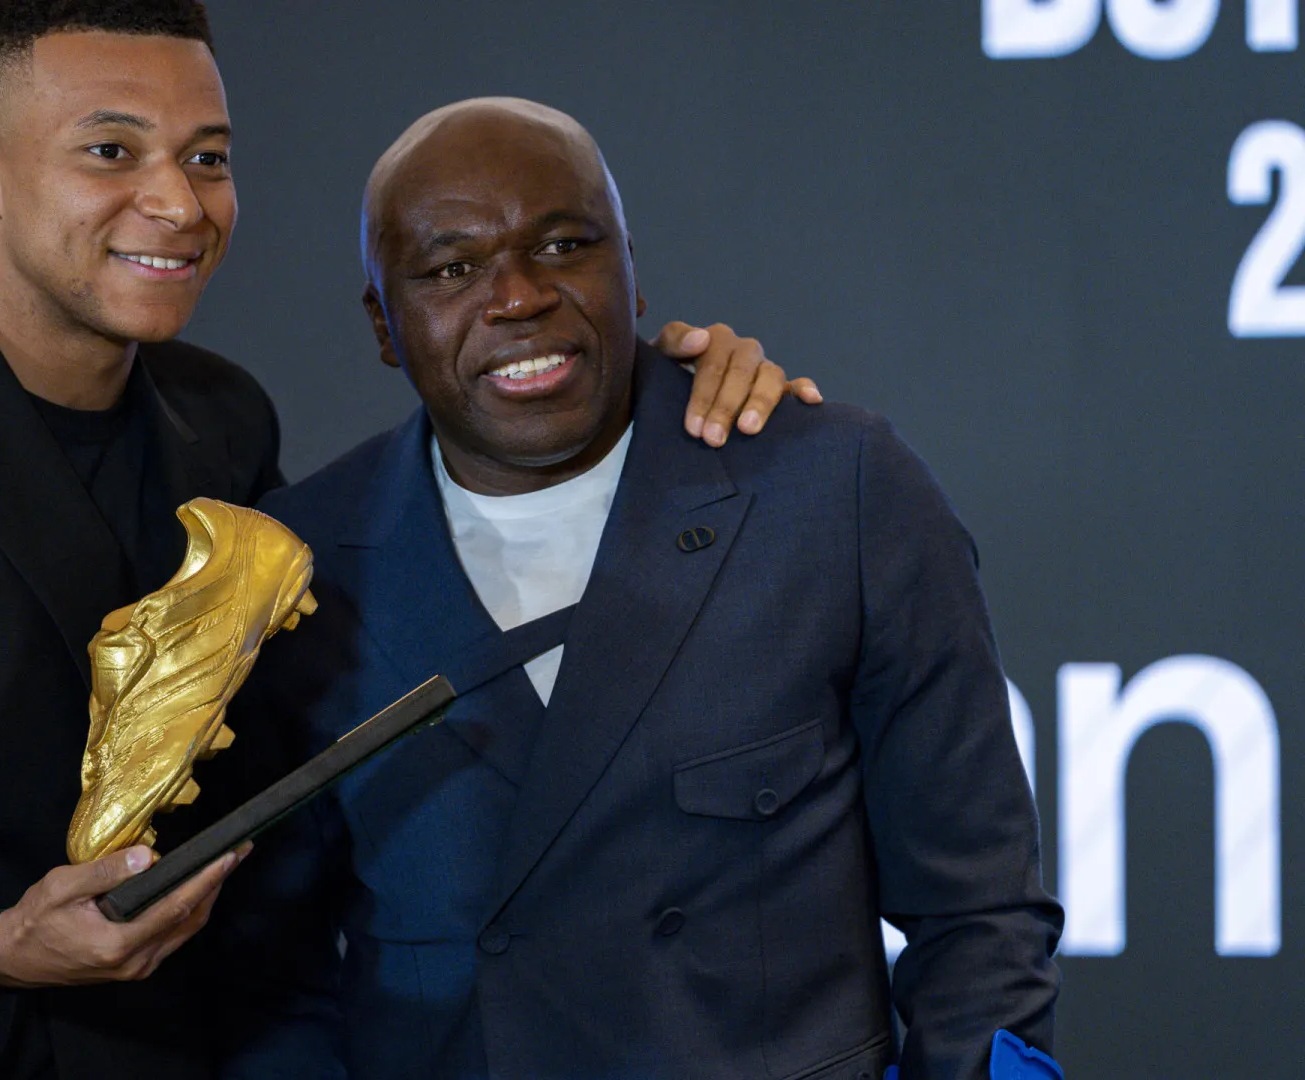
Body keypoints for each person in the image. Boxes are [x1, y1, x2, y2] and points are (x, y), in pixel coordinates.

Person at [0, 5, 811, 1079]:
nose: (177, 203)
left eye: (208, 158)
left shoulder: (223, 424)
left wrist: (660, 389)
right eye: (110, 152)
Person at [231, 97, 1064, 1080]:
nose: (517, 297)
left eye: (564, 245)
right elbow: (266, 983)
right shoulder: (302, 569)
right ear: (384, 324)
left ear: (630, 268)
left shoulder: (834, 489)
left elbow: (979, 915)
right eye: (452, 269)